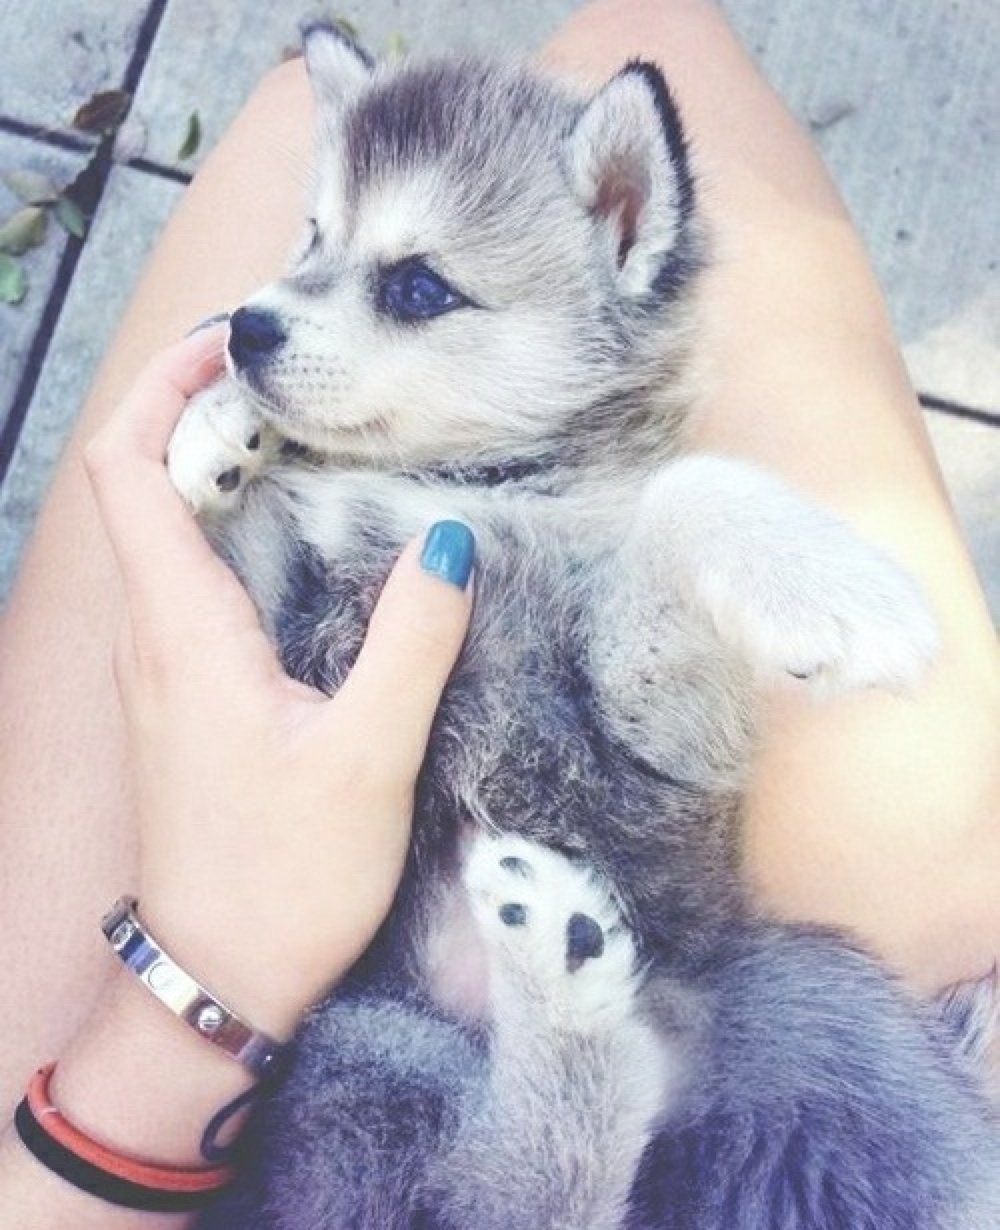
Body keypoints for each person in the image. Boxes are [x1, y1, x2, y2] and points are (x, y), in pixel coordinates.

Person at [0, 0, 996, 1223]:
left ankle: (580, 1112)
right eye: (315, 238)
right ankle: (562, 1131)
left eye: (415, 289)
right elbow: (659, 755)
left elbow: (652, 731)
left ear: (623, 233)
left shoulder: (587, 487)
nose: (278, 311)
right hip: (526, 1030)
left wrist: (203, 971)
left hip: (547, 1011)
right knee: (657, 25)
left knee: (804, 1027)